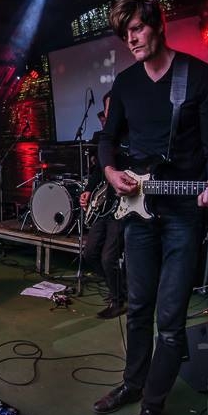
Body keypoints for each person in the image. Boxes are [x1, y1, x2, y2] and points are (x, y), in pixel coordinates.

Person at [92, 0, 208, 415]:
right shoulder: (126, 83)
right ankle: (133, 384)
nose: (131, 39)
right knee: (138, 308)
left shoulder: (198, 77)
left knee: (169, 319)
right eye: (124, 33)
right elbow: (107, 139)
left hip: (183, 215)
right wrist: (111, 172)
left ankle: (152, 404)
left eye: (137, 28)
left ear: (157, 24)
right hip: (138, 211)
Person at [78, 94, 126, 320]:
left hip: (123, 206)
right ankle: (119, 289)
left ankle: (118, 300)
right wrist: (88, 190)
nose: (109, 113)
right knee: (90, 253)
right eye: (107, 109)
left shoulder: (132, 137)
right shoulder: (104, 138)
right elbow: (98, 171)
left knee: (109, 257)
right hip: (103, 206)